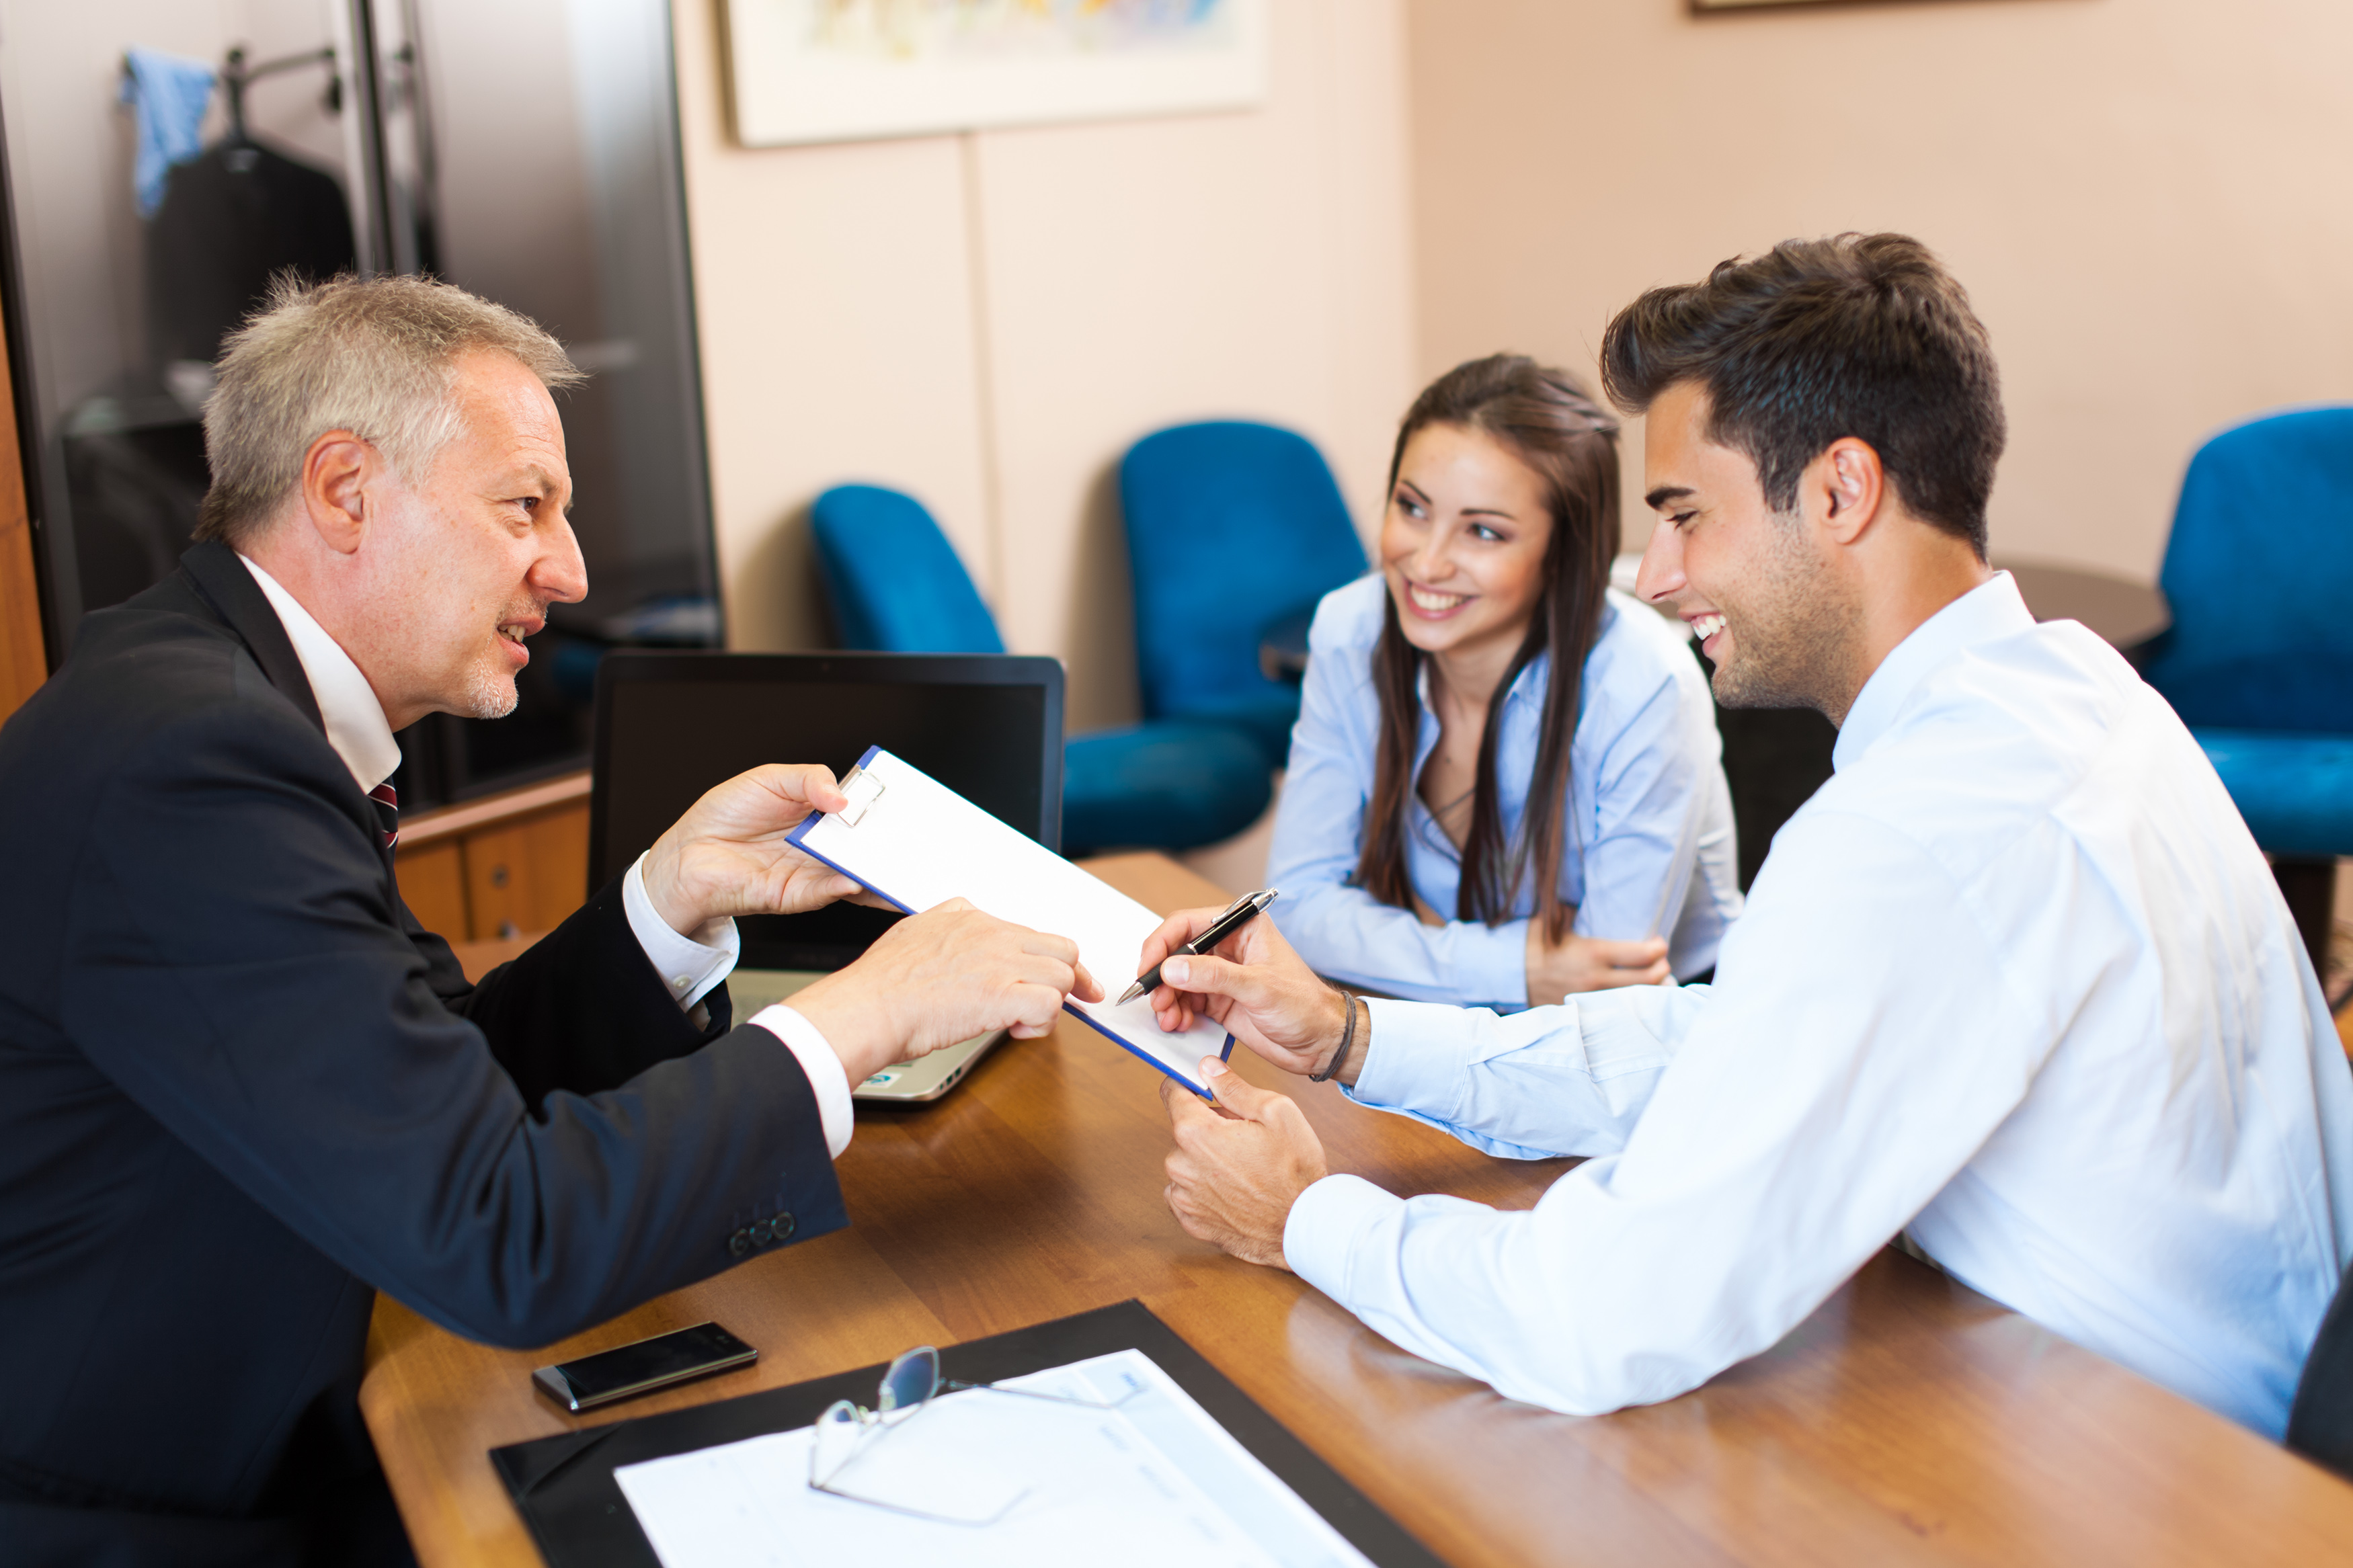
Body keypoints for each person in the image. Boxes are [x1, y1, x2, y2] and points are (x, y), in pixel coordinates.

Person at [1144, 235, 2353, 1438]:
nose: (1658, 575)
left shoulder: (1912, 828)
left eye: (1685, 514)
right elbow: (1731, 1039)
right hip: (2233, 1389)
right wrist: (1354, 1037)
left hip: (2189, 1472)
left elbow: (1608, 1312)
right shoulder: (2072, 691)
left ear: (1840, 489)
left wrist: (1303, 1214)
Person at [0, 274, 1097, 1565]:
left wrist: (668, 900)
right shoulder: (196, 762)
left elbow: (435, 1071)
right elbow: (501, 1232)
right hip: (148, 1515)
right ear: (346, 489)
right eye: (527, 504)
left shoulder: (213, 694)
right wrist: (861, 1014)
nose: (569, 571)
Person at [1266, 355, 1740, 1005]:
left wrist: (1397, 946)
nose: (1426, 562)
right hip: (1444, 1014)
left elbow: (1607, 991)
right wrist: (1514, 966)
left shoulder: (1643, 686)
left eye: (1483, 531)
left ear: (1562, 554)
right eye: (1412, 508)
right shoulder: (1351, 631)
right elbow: (1296, 906)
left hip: (1660, 1033)